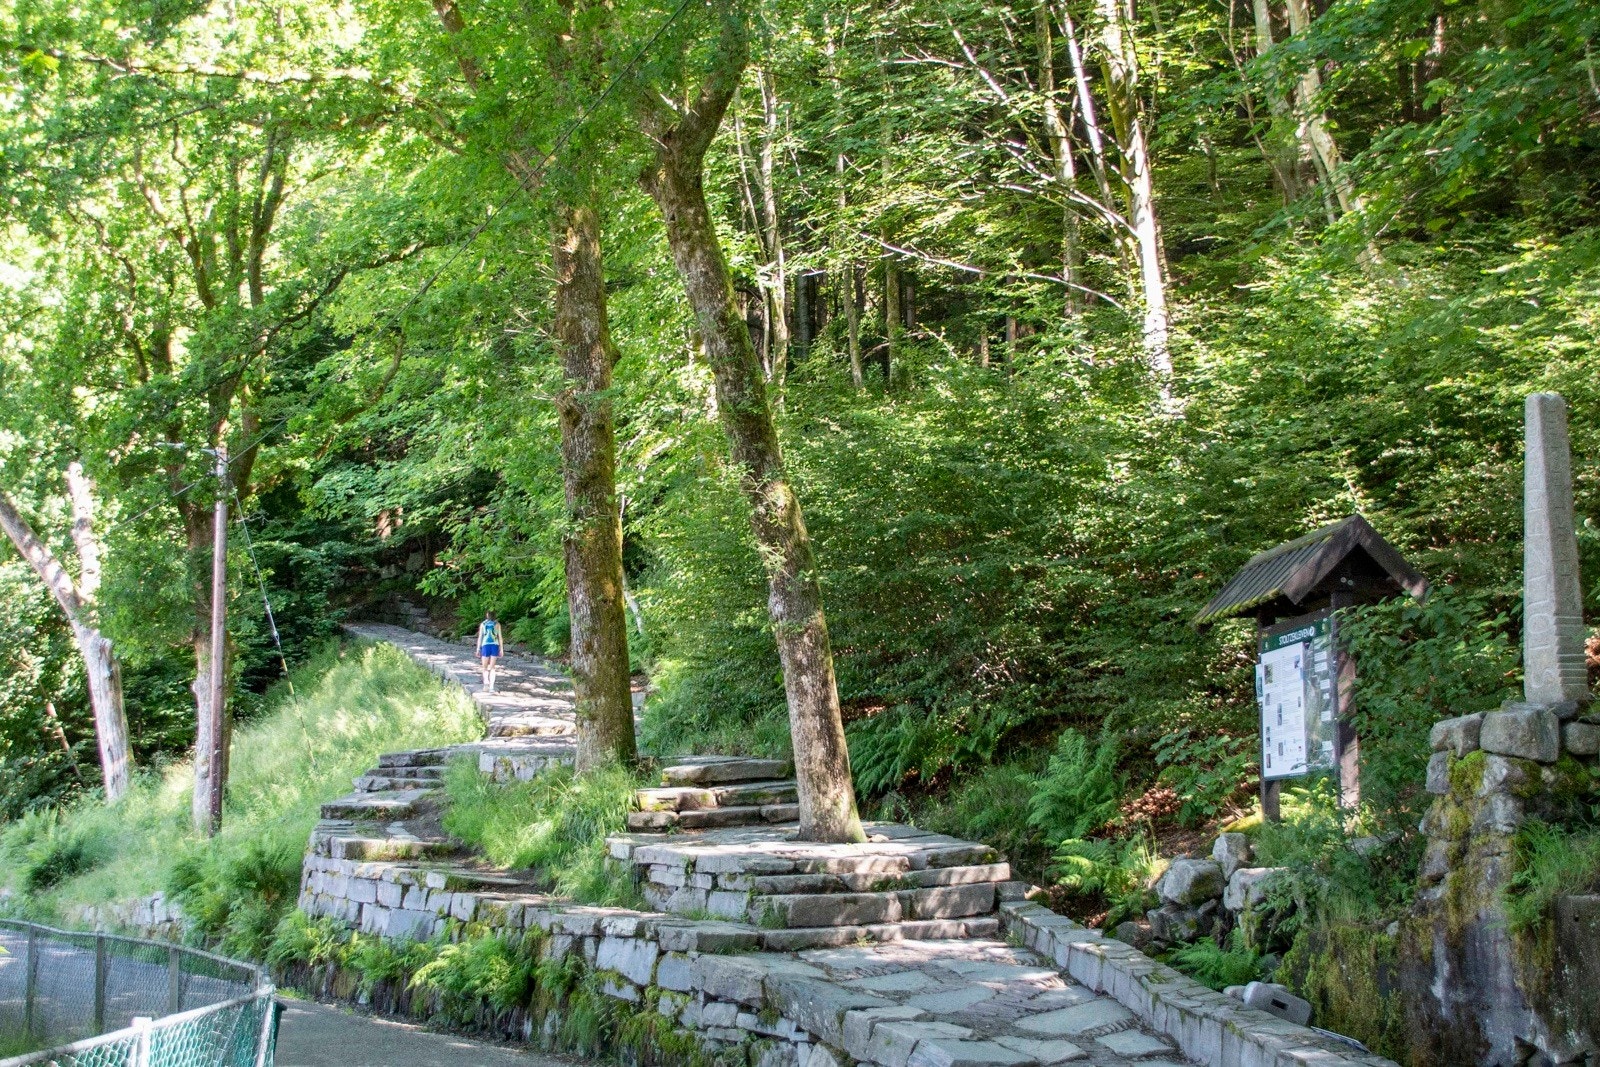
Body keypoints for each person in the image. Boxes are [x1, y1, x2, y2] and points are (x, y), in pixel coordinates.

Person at [476, 611, 503, 692]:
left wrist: (478, 649)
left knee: (484, 667)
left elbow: (480, 637)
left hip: (485, 646)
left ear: (487, 615)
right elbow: (500, 637)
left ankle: (486, 684)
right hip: (495, 646)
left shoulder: (483, 624)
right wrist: (501, 649)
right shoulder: (497, 624)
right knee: (492, 667)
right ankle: (491, 687)